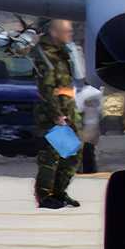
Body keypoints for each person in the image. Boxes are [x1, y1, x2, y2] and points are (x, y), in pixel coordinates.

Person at [33, 19, 81, 209]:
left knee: (72, 154)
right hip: (52, 114)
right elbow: (46, 89)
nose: (70, 35)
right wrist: (56, 115)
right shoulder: (45, 55)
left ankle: (59, 192)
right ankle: (45, 196)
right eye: (67, 31)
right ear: (54, 32)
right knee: (52, 155)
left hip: (66, 111)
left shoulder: (62, 53)